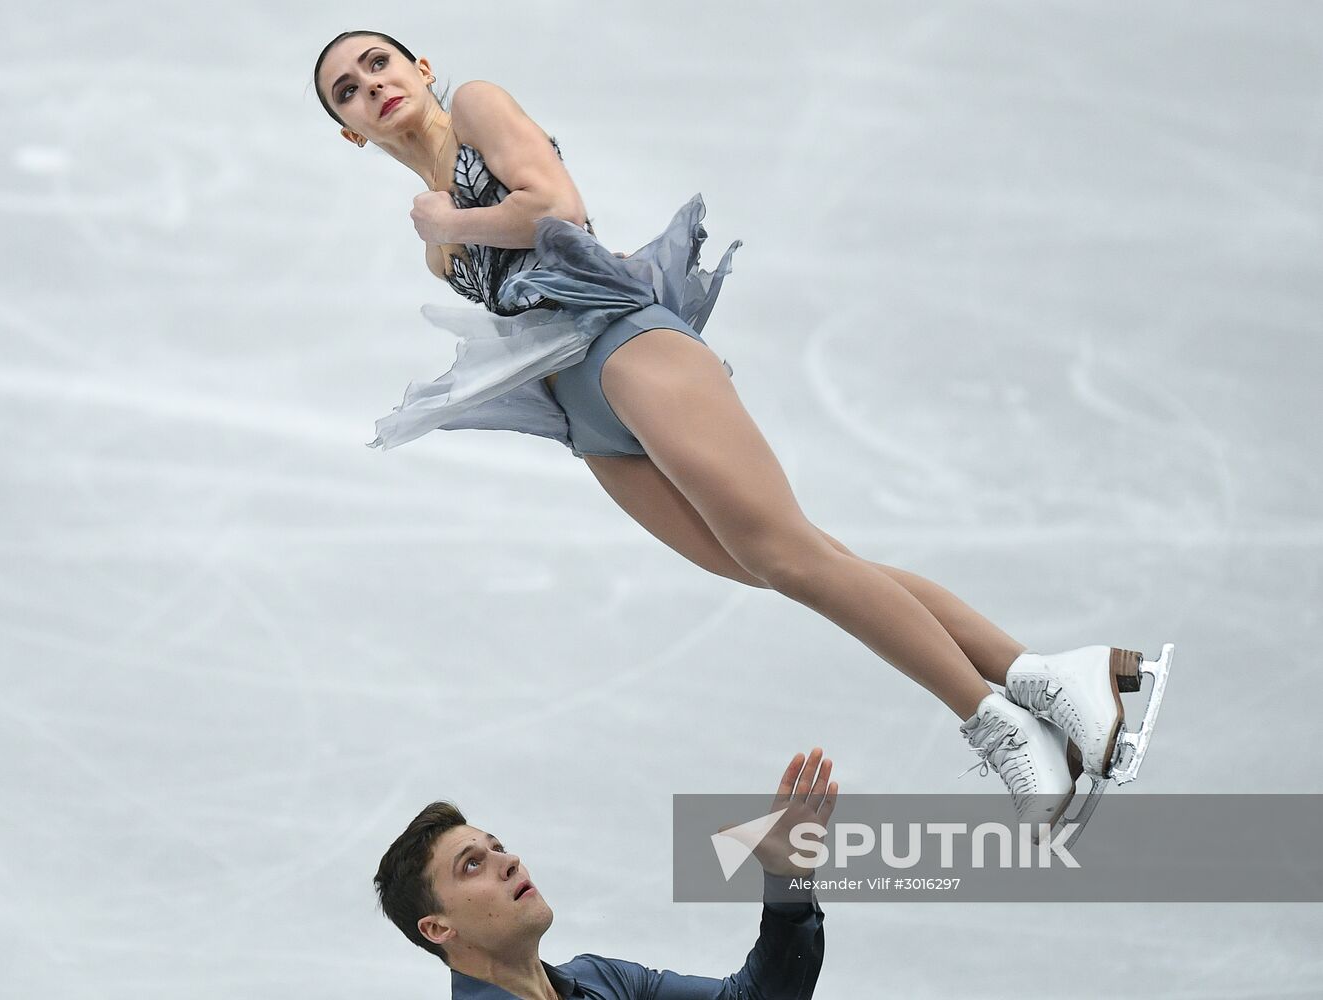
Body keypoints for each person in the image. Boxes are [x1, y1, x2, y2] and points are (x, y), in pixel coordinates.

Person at [310, 31, 1173, 837]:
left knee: (791, 555)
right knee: (787, 565)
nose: (371, 86)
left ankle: (997, 722)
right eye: (346, 91)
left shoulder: (480, 113)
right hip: (588, 421)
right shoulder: (431, 241)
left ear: (421, 67)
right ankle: (1050, 679)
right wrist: (452, 248)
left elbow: (557, 210)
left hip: (627, 350)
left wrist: (453, 222)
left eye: (379, 63)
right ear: (348, 133)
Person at [373, 749, 835, 999]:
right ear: (438, 928)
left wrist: (787, 882)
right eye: (472, 864)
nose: (508, 861)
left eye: (499, 847)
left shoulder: (602, 981)